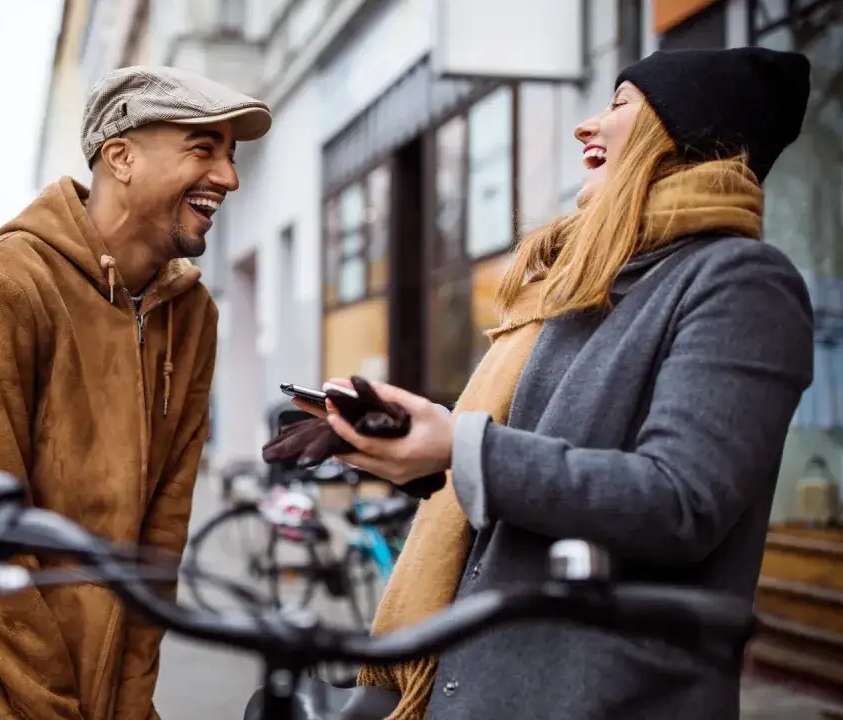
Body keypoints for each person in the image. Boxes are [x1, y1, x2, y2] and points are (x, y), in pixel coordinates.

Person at [295, 48, 814, 719]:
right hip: (475, 685)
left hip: (599, 698)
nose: (586, 126)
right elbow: (541, 463)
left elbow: (679, 501)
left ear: (682, 134)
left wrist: (462, 448)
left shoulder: (740, 283)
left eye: (621, 104)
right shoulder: (582, 286)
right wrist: (410, 444)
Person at [0, 65, 271, 720]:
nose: (229, 178)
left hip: (109, 679)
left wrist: (128, 693)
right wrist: (52, 708)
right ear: (120, 157)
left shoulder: (193, 314)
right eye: (203, 149)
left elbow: (162, 536)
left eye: (231, 156)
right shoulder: (3, 285)